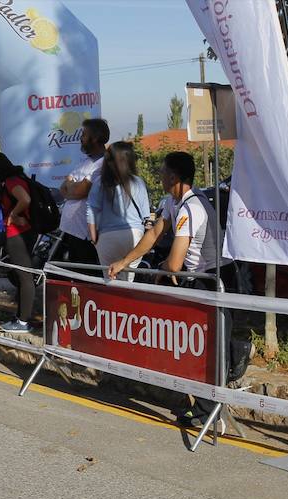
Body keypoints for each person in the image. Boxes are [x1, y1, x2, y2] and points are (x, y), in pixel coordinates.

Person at [108, 151, 251, 429]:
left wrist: (164, 267)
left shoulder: (191, 208)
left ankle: (207, 410)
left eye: (162, 171)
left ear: (173, 177)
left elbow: (174, 263)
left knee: (208, 345)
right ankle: (234, 355)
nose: (159, 175)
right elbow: (154, 234)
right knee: (200, 341)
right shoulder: (172, 202)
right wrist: (124, 261)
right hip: (200, 275)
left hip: (216, 277)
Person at [86, 141, 150, 282]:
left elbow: (91, 210)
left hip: (107, 237)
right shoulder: (138, 182)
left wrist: (93, 238)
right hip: (134, 235)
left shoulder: (99, 182)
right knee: (128, 280)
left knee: (110, 279)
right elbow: (146, 216)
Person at [0, 152, 36, 333]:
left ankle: (22, 322)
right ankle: (21, 317)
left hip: (18, 233)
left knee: (24, 276)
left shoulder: (11, 182)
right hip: (24, 231)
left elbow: (25, 200)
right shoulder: (17, 179)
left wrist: (13, 215)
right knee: (22, 275)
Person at [58, 118, 109, 267]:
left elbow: (82, 191)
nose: (80, 138)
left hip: (86, 234)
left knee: (86, 277)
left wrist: (72, 187)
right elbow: (63, 187)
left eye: (84, 134)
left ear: (95, 138)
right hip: (71, 230)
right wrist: (73, 188)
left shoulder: (103, 164)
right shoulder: (84, 162)